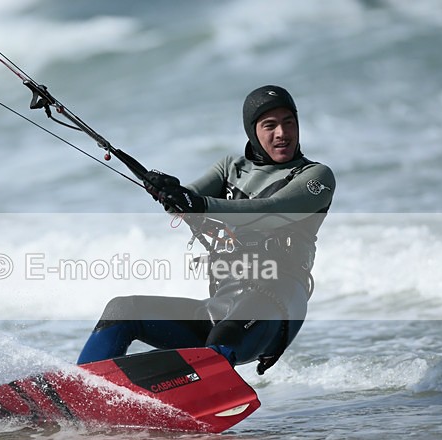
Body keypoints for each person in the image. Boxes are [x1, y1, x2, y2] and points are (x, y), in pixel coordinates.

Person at [77, 85, 335, 374]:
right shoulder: (230, 168)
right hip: (222, 304)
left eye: (289, 122)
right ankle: (84, 393)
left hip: (277, 300)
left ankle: (190, 396)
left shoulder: (316, 176)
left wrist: (197, 203)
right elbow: (185, 202)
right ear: (252, 131)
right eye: (270, 125)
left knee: (222, 340)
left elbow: (271, 213)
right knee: (122, 310)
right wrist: (168, 191)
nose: (282, 133)